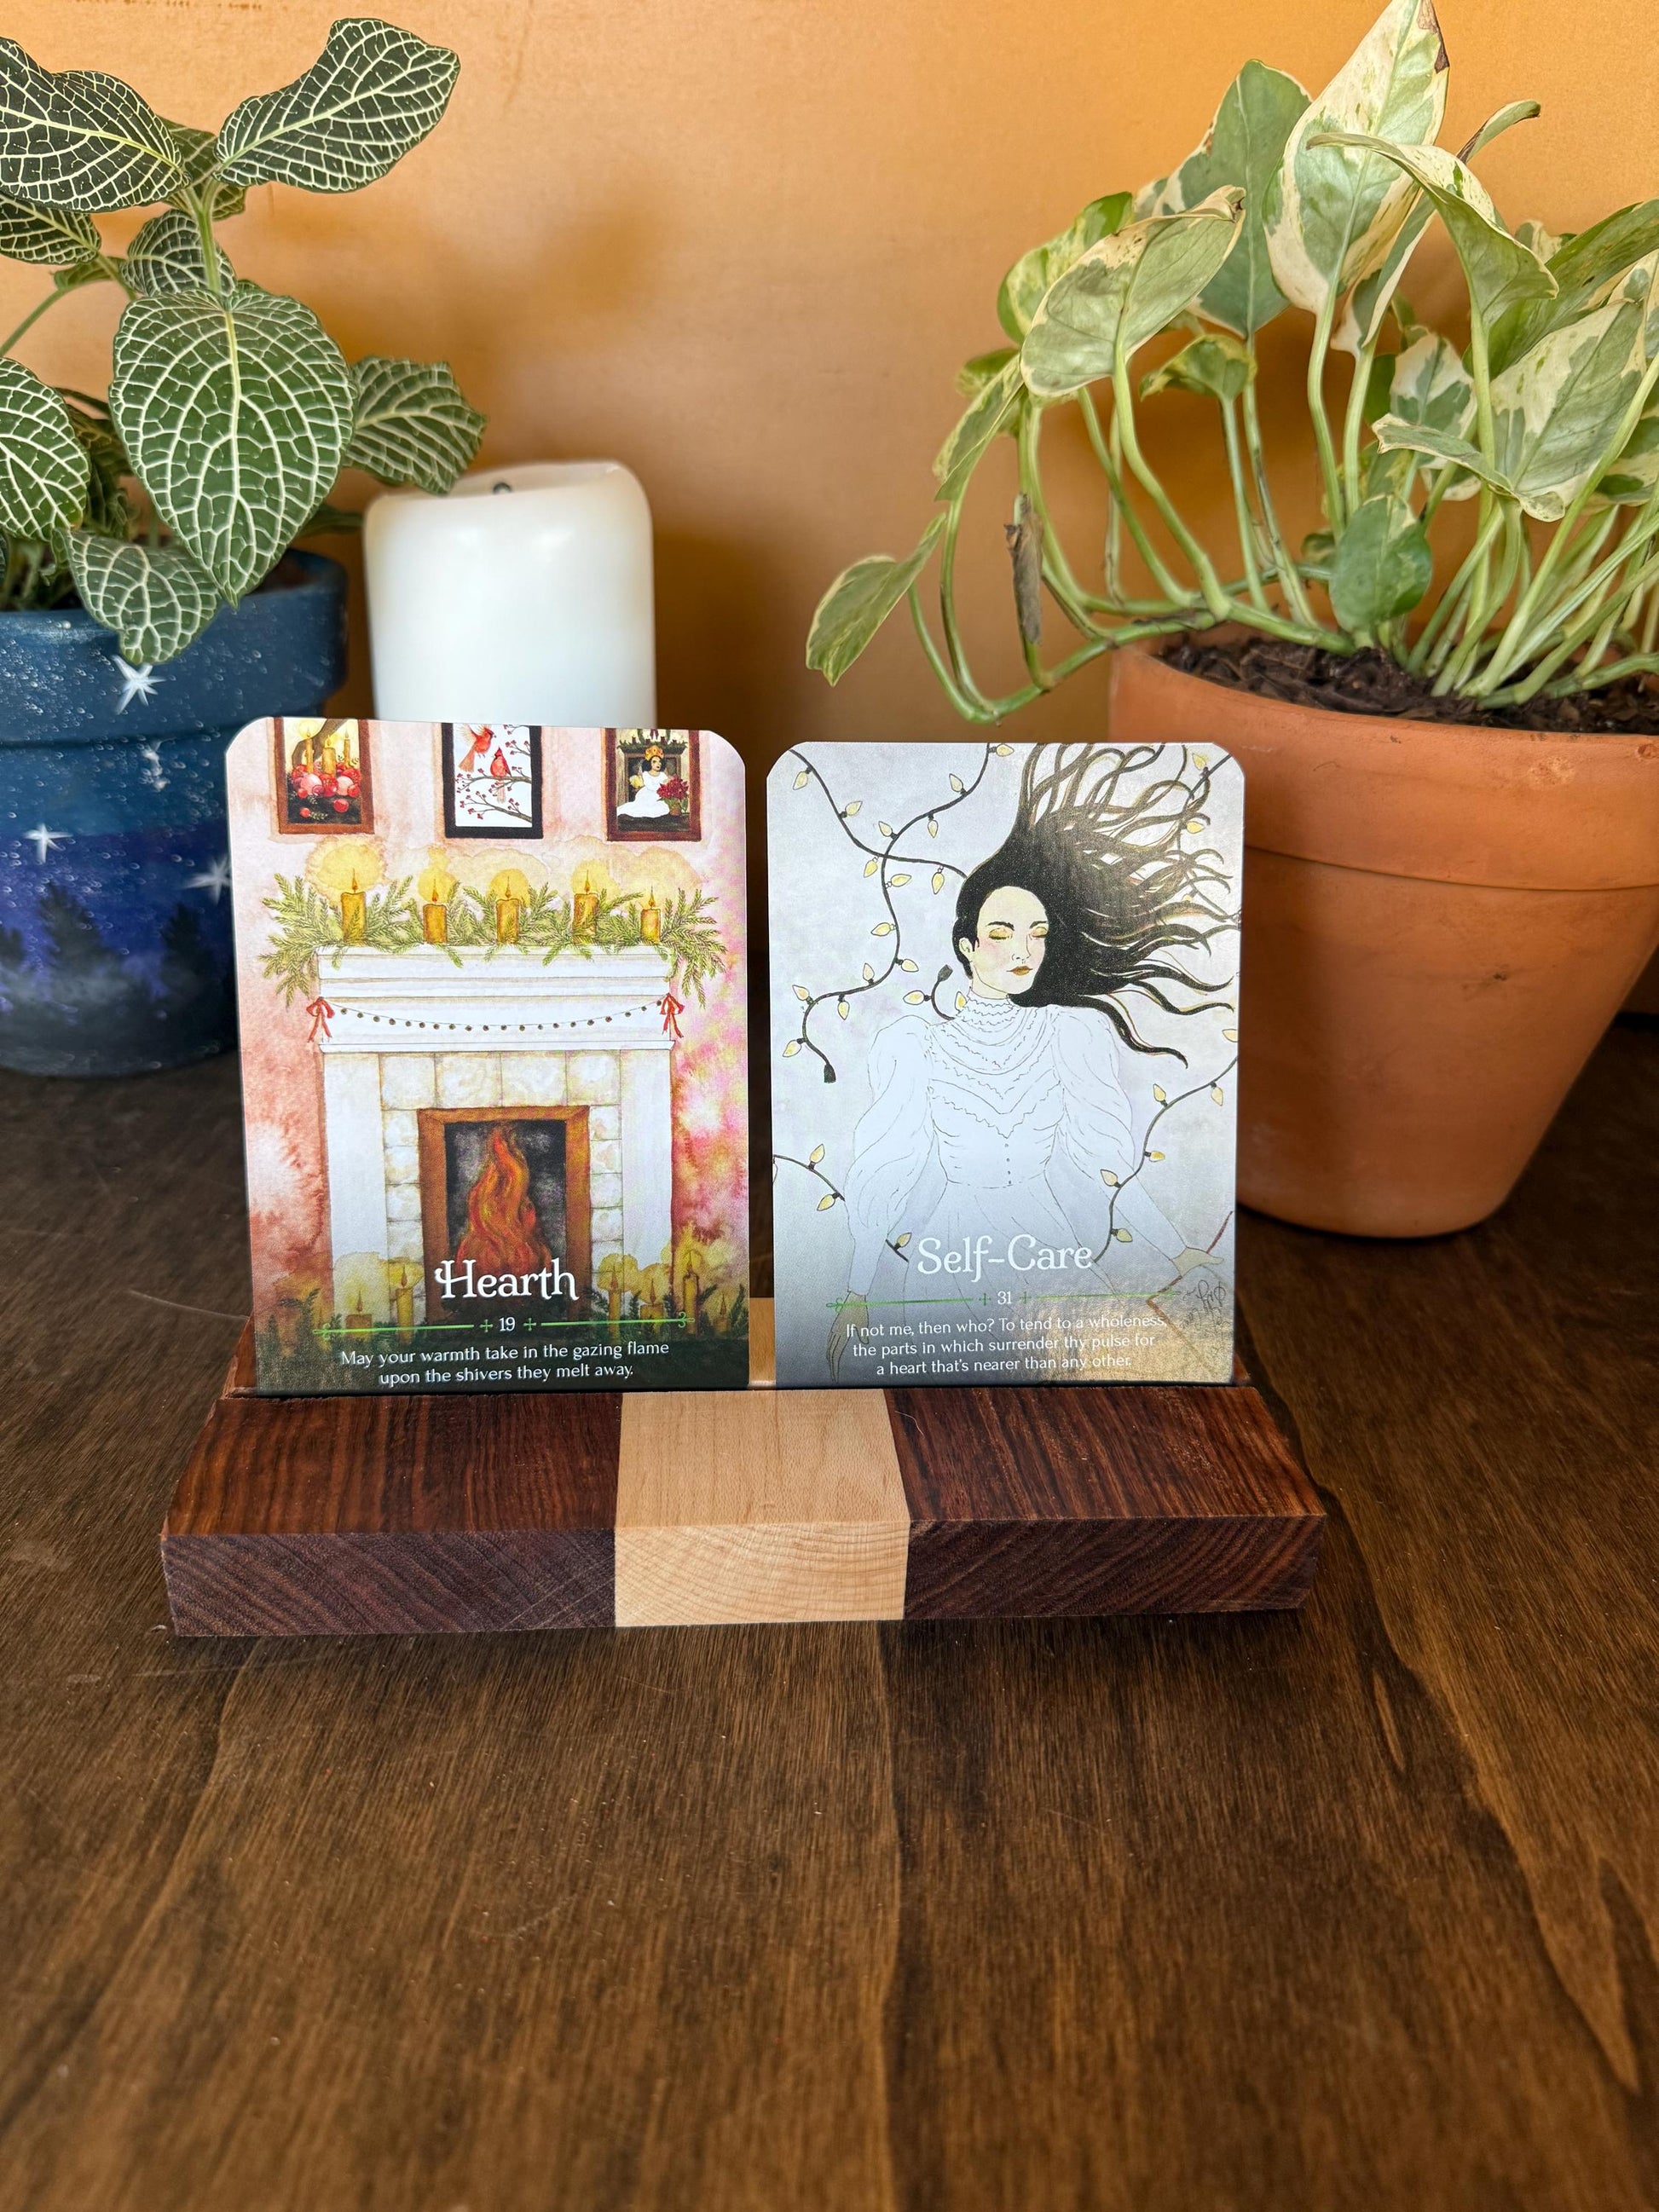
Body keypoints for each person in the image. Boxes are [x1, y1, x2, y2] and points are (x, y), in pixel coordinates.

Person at [827, 743, 1233, 1377]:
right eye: (1001, 934)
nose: (1022, 951)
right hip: (950, 1250)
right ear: (966, 945)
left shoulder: (1072, 1034)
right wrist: (856, 1292)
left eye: (1037, 935)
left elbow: (1106, 1170)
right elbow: (886, 1170)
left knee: (1073, 1371)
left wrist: (1177, 1252)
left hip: (1048, 1245)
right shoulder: (915, 1044)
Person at [616, 745, 672, 819]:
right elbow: (651, 787)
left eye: (659, 762)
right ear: (649, 763)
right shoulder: (646, 774)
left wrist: (668, 782)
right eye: (654, 762)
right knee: (640, 808)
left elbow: (667, 784)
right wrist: (663, 784)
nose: (658, 764)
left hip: (657, 796)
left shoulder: (662, 774)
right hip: (646, 795)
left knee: (663, 807)